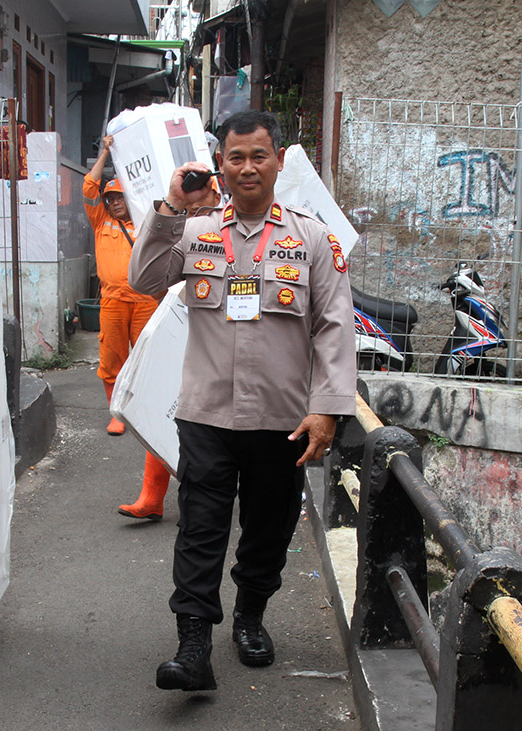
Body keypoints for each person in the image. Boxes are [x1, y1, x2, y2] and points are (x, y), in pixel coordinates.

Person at [127, 110, 356, 691]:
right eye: (236, 157)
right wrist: (172, 204)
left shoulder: (310, 238)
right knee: (201, 526)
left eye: (259, 155)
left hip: (282, 419)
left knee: (266, 530)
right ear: (221, 165)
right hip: (206, 412)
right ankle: (194, 644)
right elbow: (146, 278)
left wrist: (327, 408)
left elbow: (333, 327)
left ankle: (251, 615)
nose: (247, 167)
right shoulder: (198, 229)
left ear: (279, 160)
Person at [112, 176, 222, 523]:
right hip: (178, 322)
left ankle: (210, 492)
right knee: (169, 406)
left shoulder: (236, 221)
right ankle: (153, 496)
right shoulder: (178, 221)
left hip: (223, 333)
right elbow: (148, 276)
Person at [83, 135, 173, 521]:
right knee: (112, 357)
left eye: (119, 197)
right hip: (112, 299)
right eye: (110, 199)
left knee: (151, 365)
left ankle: (144, 411)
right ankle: (118, 411)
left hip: (146, 300)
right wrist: (104, 152)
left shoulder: (146, 220)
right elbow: (88, 186)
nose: (114, 203)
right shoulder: (101, 220)